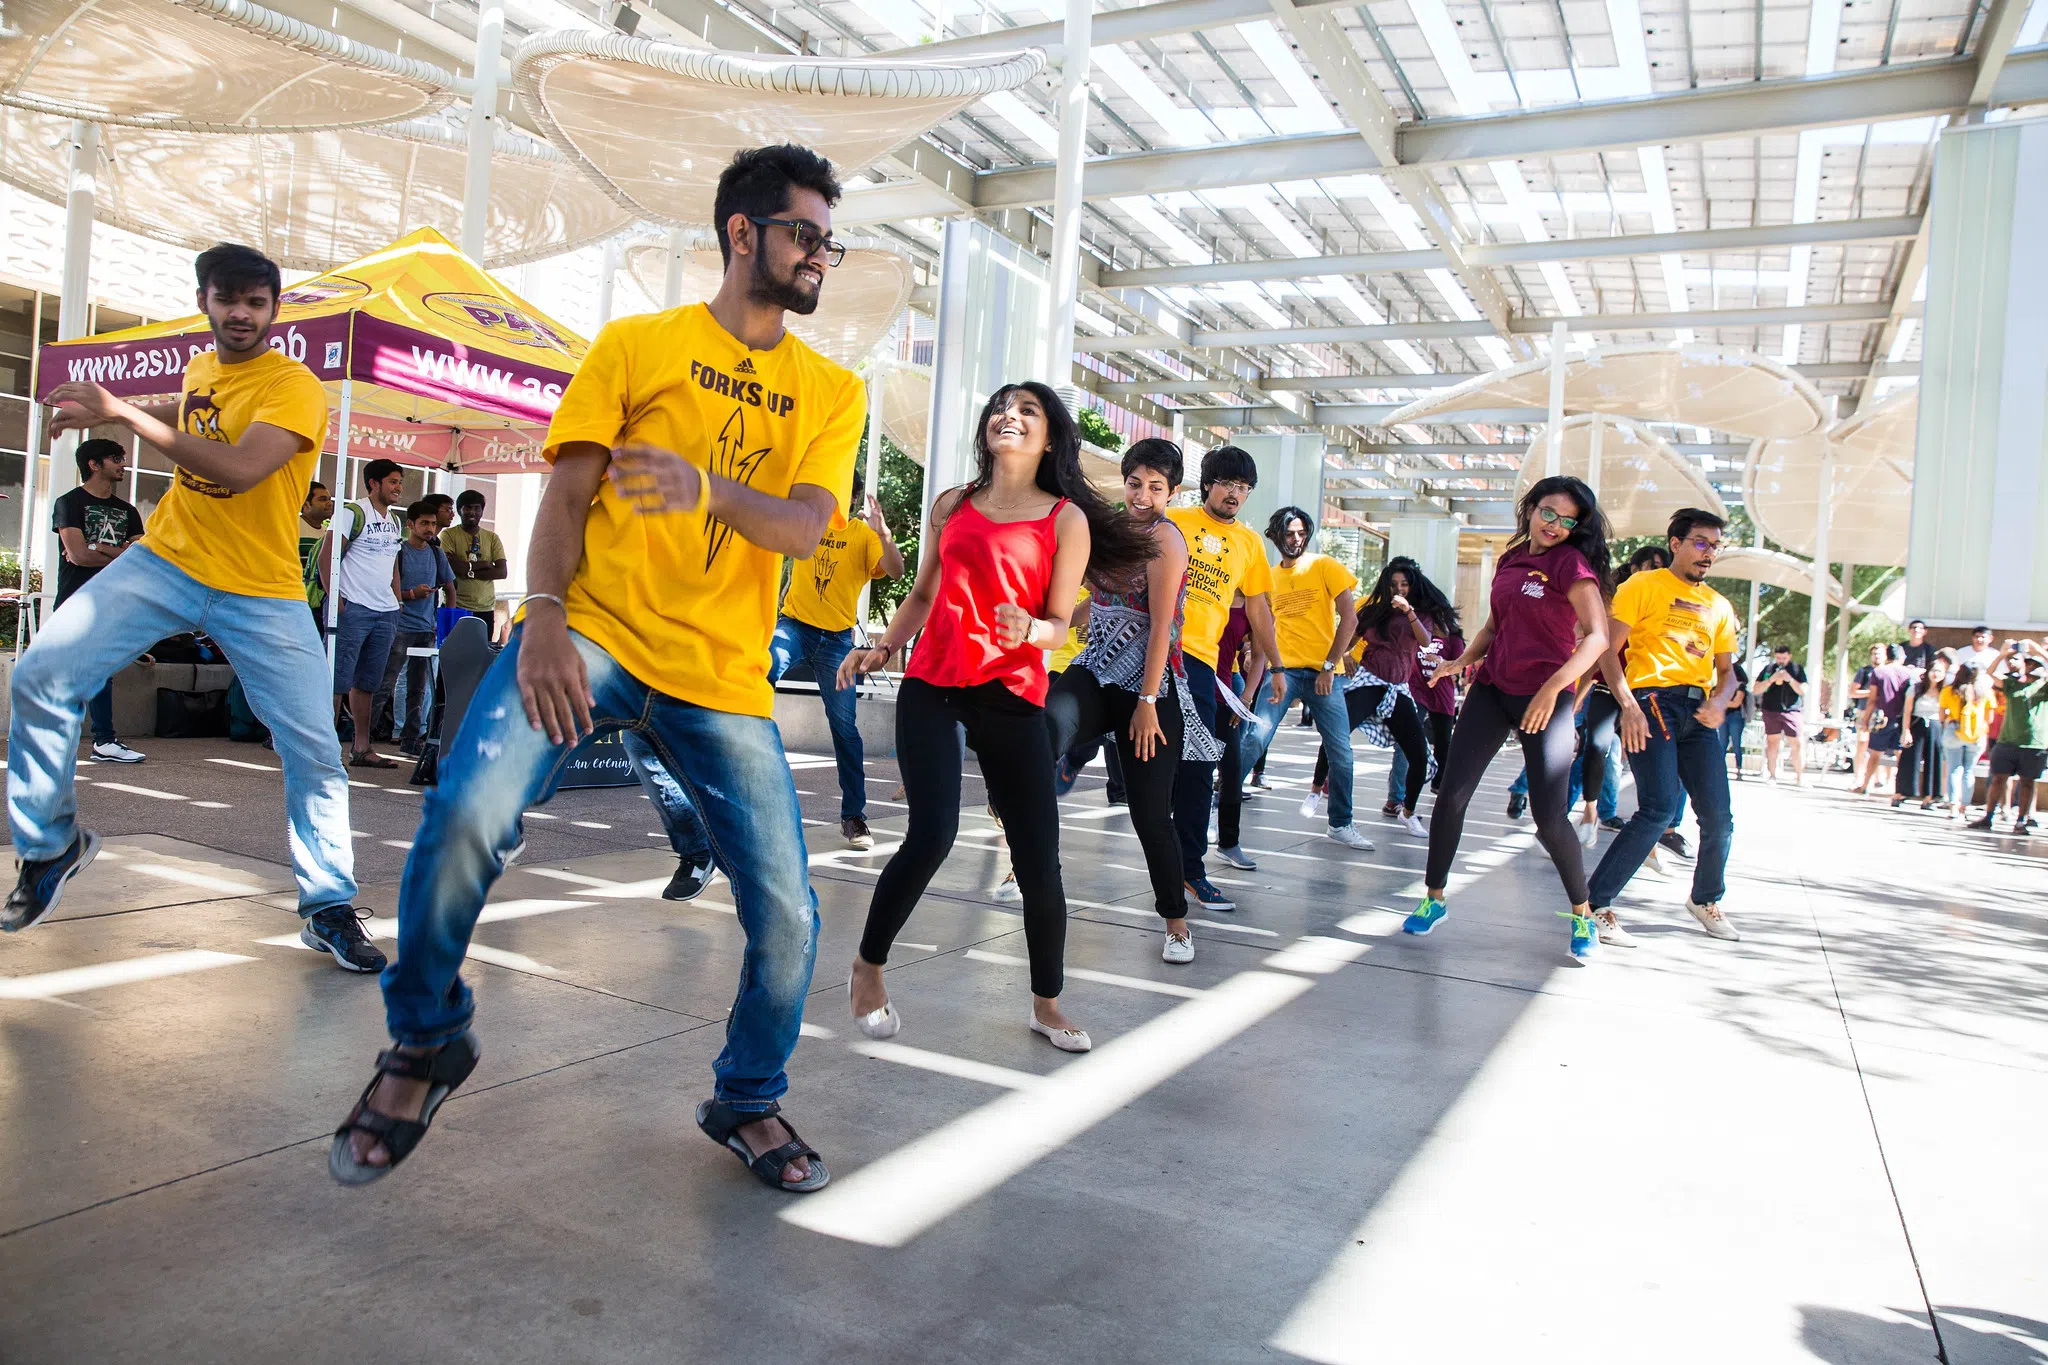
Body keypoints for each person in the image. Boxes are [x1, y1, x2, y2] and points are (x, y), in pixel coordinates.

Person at [331, 143, 867, 1191]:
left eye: (827, 242)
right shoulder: (633, 345)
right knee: (465, 815)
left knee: (789, 912)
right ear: (742, 233)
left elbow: (806, 529)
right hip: (595, 631)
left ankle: (747, 1098)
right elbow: (568, 502)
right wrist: (538, 614)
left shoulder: (830, 390)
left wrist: (702, 487)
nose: (818, 257)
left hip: (721, 676)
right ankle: (426, 1038)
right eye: (805, 234)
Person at [9, 242, 377, 973]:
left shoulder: (295, 386)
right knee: (39, 676)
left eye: (255, 301)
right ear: (205, 300)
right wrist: (123, 411)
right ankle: (51, 846)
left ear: (274, 310)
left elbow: (241, 468)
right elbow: (194, 406)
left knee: (312, 746)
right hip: (167, 559)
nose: (240, 313)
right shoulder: (203, 364)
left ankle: (329, 904)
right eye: (226, 298)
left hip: (261, 588)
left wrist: (119, 413)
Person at [840, 381, 1151, 1054]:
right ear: (987, 428)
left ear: (1048, 437)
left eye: (1027, 411)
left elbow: (1059, 626)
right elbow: (923, 591)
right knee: (933, 833)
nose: (1009, 417)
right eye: (1000, 408)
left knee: (1038, 856)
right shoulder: (952, 504)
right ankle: (868, 966)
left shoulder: (1065, 519)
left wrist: (1029, 626)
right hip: (934, 681)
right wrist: (884, 647)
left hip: (1012, 692)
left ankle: (1047, 1000)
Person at [1403, 476, 1613, 959]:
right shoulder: (1511, 558)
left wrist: (1552, 690)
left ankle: (1583, 915)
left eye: (1567, 520)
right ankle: (1434, 899)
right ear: (1531, 508)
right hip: (1493, 689)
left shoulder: (1572, 565)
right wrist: (1461, 662)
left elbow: (1598, 639)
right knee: (1452, 794)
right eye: (1548, 512)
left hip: (1546, 696)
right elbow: (1495, 627)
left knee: (1547, 817)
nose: (1555, 525)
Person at [1045, 438, 1216, 964]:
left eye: (1156, 487)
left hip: (1150, 686)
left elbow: (1161, 624)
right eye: (1135, 483)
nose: (1142, 495)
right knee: (1044, 725)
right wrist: (1041, 627)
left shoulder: (1168, 540)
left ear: (1174, 492)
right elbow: (1092, 601)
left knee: (1149, 816)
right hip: (1098, 668)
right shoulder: (1108, 530)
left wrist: (1146, 701)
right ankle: (1019, 854)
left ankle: (1177, 924)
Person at [1584, 508, 1743, 945]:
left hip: (1698, 712)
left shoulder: (1720, 606)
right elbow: (1607, 651)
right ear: (1675, 543)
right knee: (1657, 809)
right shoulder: (1642, 585)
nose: (1708, 553)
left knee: (1719, 817)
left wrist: (1720, 701)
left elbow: (1727, 672)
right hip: (1652, 701)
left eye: (1715, 546)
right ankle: (1595, 905)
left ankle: (1705, 898)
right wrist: (1628, 706)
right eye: (1700, 542)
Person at [1166, 447, 1283, 911]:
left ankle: (1191, 870)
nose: (1235, 494)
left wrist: (1275, 666)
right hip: (1150, 643)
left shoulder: (1251, 545)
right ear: (1208, 483)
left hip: (1199, 660)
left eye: (1244, 488)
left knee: (1198, 764)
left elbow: (1258, 612)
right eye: (1227, 483)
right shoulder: (1175, 519)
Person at [771, 483, 904, 849]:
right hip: (794, 626)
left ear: (853, 498)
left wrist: (884, 534)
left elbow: (896, 571)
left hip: (836, 644)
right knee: (760, 672)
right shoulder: (808, 519)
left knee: (845, 728)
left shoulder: (863, 536)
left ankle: (854, 817)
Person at [1243, 506, 1381, 850]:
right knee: (1255, 739)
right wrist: (1254, 653)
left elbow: (1350, 620)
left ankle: (1341, 823)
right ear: (1275, 536)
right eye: (1289, 533)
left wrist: (1330, 665)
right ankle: (1218, 804)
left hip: (1323, 673)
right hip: (1284, 671)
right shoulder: (1269, 576)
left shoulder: (1325, 566)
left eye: (1302, 532)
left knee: (1341, 751)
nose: (1296, 539)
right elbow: (1266, 624)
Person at [1302, 554, 1436, 838]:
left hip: (1397, 688)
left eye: (1404, 584)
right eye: (1393, 584)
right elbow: (1347, 638)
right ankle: (1315, 790)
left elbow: (1425, 642)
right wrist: (1339, 659)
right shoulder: (1375, 612)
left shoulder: (1421, 614)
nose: (1398, 589)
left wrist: (1409, 611)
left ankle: (1408, 813)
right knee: (1336, 735)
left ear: (1413, 586)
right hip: (1369, 682)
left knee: (1419, 755)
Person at [52, 437, 149, 765]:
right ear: (94, 465)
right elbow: (77, 556)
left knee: (101, 670)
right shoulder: (69, 503)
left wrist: (98, 548)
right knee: (72, 671)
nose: (123, 464)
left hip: (111, 599)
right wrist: (116, 552)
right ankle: (85, 740)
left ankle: (103, 741)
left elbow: (142, 559)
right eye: (115, 458)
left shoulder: (128, 511)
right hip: (74, 599)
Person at [318, 456, 407, 768]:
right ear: (374, 483)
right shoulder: (352, 512)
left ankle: (361, 748)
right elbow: (327, 557)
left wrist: (396, 601)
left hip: (385, 611)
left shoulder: (395, 521)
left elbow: (393, 563)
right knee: (336, 680)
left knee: (368, 682)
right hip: (354, 607)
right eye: (393, 482)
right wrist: (337, 601)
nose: (398, 488)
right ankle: (326, 751)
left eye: (400, 482)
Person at [376, 501, 457, 756]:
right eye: (424, 523)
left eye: (433, 524)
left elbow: (451, 588)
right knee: (385, 683)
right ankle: (364, 736)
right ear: (410, 524)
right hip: (399, 626)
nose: (430, 528)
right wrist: (412, 594)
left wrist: (445, 621)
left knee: (418, 686)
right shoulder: (398, 552)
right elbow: (387, 589)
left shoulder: (436, 553)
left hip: (427, 627)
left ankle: (411, 737)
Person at [1384, 559, 1462, 809]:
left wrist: (1442, 661)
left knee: (1443, 744)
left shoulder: (1452, 638)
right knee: (1405, 744)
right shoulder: (1416, 630)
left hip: (1442, 695)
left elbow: (1458, 663)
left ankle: (1439, 784)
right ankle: (1396, 799)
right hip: (1415, 691)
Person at [1970, 640, 2046, 835]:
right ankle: (1989, 816)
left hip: (2033, 743)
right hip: (2007, 741)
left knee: (2028, 782)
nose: (2032, 667)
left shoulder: (2044, 687)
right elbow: (1990, 674)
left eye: (2035, 665)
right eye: (2029, 664)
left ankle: (2021, 820)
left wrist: (2039, 651)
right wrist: (2003, 654)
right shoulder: (2012, 684)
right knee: (1998, 779)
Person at [441, 489, 507, 628]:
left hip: (485, 608)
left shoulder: (492, 538)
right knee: (452, 649)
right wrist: (485, 564)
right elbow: (451, 567)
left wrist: (466, 569)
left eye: (477, 508)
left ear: (482, 511)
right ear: (460, 510)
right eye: (468, 508)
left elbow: (501, 572)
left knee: (482, 649)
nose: (472, 512)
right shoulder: (448, 535)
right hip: (456, 606)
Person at [1939, 662, 1992, 821]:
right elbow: (1989, 718)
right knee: (1969, 770)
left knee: (1954, 769)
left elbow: (1941, 716)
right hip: (1976, 734)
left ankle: (1953, 806)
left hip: (1953, 730)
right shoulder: (1984, 692)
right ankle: (1964, 807)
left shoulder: (1949, 690)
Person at [1892, 655, 1947, 811]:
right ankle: (1901, 793)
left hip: (1935, 726)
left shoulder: (1945, 691)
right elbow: (1908, 710)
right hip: (1917, 723)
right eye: (1934, 670)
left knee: (1933, 761)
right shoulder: (1916, 688)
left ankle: (1929, 797)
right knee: (1909, 759)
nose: (1936, 674)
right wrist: (1905, 731)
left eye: (1940, 671)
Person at [1862, 644, 1917, 797]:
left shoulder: (1879, 672)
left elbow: (1872, 699)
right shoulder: (1909, 674)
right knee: (1901, 756)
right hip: (1903, 720)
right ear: (1901, 657)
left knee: (1874, 754)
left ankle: (1866, 785)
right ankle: (1898, 789)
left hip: (1883, 719)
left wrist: (1865, 719)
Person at [1754, 643, 1806, 783]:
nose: (1781, 660)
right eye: (1778, 657)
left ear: (1789, 656)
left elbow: (1803, 690)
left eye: (1783, 657)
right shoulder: (1769, 669)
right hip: (1770, 710)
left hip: (1792, 710)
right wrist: (1771, 679)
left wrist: (1789, 679)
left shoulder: (1797, 669)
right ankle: (1772, 775)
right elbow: (1756, 689)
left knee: (1797, 742)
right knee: (1772, 742)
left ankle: (1800, 777)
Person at [1848, 642, 1884, 793]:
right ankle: (1858, 777)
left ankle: (1878, 779)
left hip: (1881, 713)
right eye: (1874, 653)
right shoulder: (1864, 671)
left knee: (1879, 747)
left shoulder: (1887, 672)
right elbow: (1853, 692)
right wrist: (1872, 693)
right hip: (1864, 711)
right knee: (1862, 746)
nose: (1876, 656)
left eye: (1880, 653)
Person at [1723, 656, 1750, 779]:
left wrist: (1721, 701)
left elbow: (1736, 702)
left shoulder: (1740, 686)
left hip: (1736, 716)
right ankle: (1721, 770)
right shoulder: (1723, 684)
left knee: (1736, 744)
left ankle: (1739, 769)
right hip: (1725, 715)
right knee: (1721, 744)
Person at [299, 479, 333, 578]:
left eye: (329, 499)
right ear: (306, 505)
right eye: (323, 499)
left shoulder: (327, 532)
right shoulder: (292, 528)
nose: (329, 503)